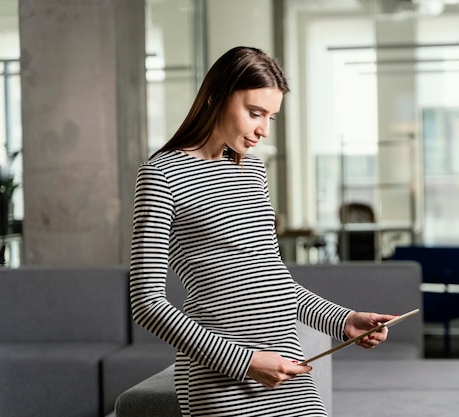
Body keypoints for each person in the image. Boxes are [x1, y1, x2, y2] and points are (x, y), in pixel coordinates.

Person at [129, 46, 396, 417]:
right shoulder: (161, 175)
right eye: (255, 113)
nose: (263, 131)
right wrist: (246, 362)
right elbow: (147, 304)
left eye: (270, 117)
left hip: (287, 369)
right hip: (220, 377)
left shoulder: (252, 172)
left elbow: (271, 277)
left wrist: (343, 320)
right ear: (213, 98)